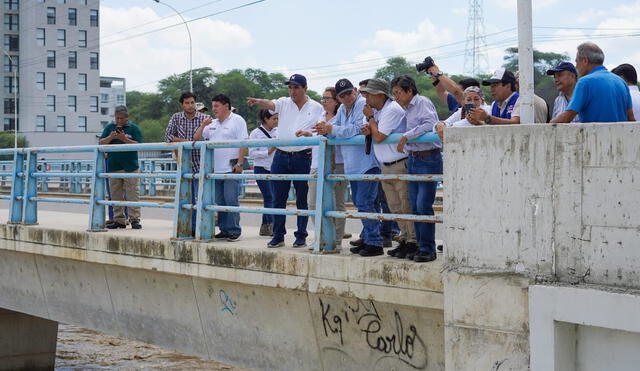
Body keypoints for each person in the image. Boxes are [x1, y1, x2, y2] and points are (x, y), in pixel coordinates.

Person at [246, 74, 324, 248]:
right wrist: (258, 101)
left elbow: (321, 129)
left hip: (303, 156)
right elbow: (270, 104)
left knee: (302, 199)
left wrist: (310, 139)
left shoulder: (316, 107)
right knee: (277, 198)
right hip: (281, 155)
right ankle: (278, 235)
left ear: (305, 88)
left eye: (296, 87)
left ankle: (301, 235)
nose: (292, 91)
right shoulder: (284, 103)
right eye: (290, 87)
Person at [313, 78, 382, 255]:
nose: (347, 97)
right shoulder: (343, 109)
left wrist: (331, 130)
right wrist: (325, 128)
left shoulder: (362, 106)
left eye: (349, 93)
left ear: (355, 91)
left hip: (367, 162)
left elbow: (357, 128)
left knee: (365, 202)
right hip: (353, 165)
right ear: (339, 98)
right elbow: (336, 126)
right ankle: (369, 238)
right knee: (363, 203)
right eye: (342, 95)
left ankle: (374, 242)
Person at [388, 77, 440, 263]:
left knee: (423, 205)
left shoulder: (422, 102)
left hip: (428, 157)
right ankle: (419, 245)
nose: (396, 97)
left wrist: (407, 136)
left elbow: (429, 124)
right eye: (394, 93)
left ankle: (428, 248)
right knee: (415, 206)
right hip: (414, 158)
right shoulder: (406, 109)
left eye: (398, 92)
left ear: (409, 91)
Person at [298, 87, 349, 250]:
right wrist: (308, 134)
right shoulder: (320, 115)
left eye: (327, 98)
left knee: (337, 204)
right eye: (323, 98)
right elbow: (319, 135)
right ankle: (320, 237)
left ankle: (336, 240)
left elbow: (344, 135)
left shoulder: (342, 117)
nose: (324, 101)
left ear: (336, 101)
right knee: (313, 203)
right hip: (317, 163)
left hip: (337, 163)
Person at [194, 94, 248, 242]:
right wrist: (203, 125)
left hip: (231, 167)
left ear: (226, 105)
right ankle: (224, 229)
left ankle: (234, 230)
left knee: (231, 200)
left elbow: (243, 142)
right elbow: (196, 138)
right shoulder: (212, 123)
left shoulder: (237, 120)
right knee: (220, 201)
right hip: (215, 169)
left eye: (216, 106)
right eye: (213, 106)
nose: (214, 109)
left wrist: (240, 163)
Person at [551, 42, 635, 123]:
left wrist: (548, 124)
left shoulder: (584, 82)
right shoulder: (621, 82)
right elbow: (631, 118)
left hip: (596, 137)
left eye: (577, 62)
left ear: (584, 61)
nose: (576, 67)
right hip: (620, 137)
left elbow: (567, 117)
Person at [165, 92, 212, 234]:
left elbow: (210, 138)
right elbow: (168, 137)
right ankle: (189, 228)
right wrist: (188, 142)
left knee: (202, 198)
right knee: (186, 198)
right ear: (182, 104)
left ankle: (201, 228)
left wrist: (185, 141)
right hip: (184, 164)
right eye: (187, 103)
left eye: (192, 102)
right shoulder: (176, 118)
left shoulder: (205, 118)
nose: (190, 105)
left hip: (202, 162)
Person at [99, 105, 143, 229]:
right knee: (115, 194)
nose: (119, 121)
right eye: (117, 118)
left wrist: (124, 139)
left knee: (132, 194)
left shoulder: (134, 128)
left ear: (127, 118)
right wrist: (110, 137)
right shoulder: (109, 128)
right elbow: (100, 143)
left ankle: (134, 219)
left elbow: (139, 144)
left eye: (121, 118)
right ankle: (119, 220)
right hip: (114, 166)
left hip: (130, 166)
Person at [249, 109, 278, 237]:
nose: (276, 121)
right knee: (269, 196)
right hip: (261, 167)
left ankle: (265, 226)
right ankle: (271, 225)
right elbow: (252, 153)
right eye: (274, 119)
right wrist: (268, 151)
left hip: (275, 168)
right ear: (266, 119)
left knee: (272, 197)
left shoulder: (279, 131)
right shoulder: (255, 133)